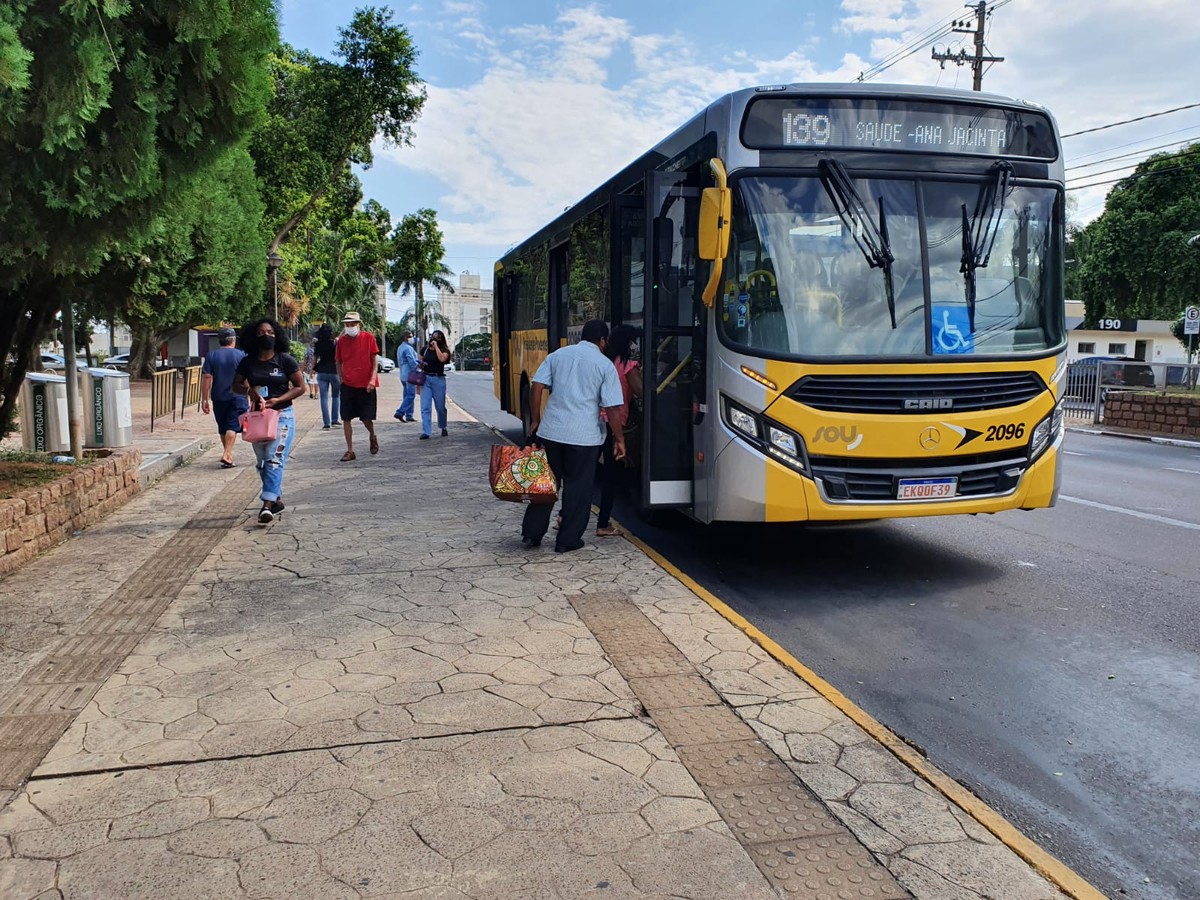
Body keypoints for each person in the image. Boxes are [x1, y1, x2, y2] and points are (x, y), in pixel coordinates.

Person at [523, 320, 626, 553]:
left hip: (552, 432)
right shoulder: (604, 365)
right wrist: (619, 439)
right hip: (584, 437)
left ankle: (531, 534)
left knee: (546, 484)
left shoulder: (558, 355)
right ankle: (567, 540)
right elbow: (612, 408)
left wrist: (536, 419)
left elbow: (537, 385)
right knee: (578, 488)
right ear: (602, 341)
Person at [232, 318, 304, 524]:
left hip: (283, 416)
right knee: (263, 462)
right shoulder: (248, 362)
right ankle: (277, 499)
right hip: (258, 417)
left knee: (274, 459)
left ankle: (267, 503)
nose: (267, 336)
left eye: (271, 332)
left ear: (277, 335)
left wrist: (279, 400)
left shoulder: (285, 360)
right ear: (254, 337)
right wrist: (249, 392)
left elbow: (300, 387)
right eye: (261, 332)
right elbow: (235, 385)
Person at [595, 324, 643, 537]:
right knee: (611, 476)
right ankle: (603, 524)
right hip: (614, 423)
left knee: (585, 472)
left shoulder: (604, 363)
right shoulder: (627, 365)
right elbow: (640, 391)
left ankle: (563, 515)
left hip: (595, 421)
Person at [335, 311, 380, 461]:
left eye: (352, 324)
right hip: (348, 384)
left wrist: (372, 379)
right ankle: (350, 450)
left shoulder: (368, 338)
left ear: (359, 324)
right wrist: (341, 377)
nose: (350, 327)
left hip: (365, 384)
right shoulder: (341, 341)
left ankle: (372, 435)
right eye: (347, 324)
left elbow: (374, 360)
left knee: (366, 418)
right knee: (346, 418)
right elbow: (338, 360)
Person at [200, 327, 248, 468]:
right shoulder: (241, 355)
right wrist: (250, 395)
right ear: (233, 340)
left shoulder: (212, 355)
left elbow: (207, 377)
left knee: (223, 426)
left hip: (218, 396)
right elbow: (246, 377)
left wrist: (204, 399)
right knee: (232, 425)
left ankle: (228, 454)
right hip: (238, 395)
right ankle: (227, 454)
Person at [418, 330, 451, 440]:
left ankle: (443, 427)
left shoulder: (444, 350)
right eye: (433, 336)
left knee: (440, 406)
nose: (434, 339)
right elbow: (419, 362)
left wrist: (436, 347)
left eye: (437, 337)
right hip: (426, 378)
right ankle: (426, 431)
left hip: (439, 379)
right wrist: (422, 364)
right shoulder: (425, 349)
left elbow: (442, 359)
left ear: (441, 339)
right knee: (425, 406)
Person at [312, 323, 340, 429]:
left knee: (323, 398)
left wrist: (312, 370)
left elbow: (315, 358)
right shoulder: (334, 343)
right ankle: (334, 420)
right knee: (336, 396)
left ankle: (326, 423)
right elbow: (338, 358)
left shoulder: (318, 344)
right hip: (334, 372)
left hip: (322, 372)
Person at [393, 330, 419, 423]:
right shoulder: (408, 348)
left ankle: (409, 415)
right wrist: (419, 368)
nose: (412, 338)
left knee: (406, 395)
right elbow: (412, 362)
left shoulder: (400, 347)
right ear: (405, 337)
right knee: (411, 395)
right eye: (410, 336)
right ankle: (400, 412)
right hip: (410, 375)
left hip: (403, 375)